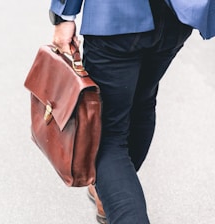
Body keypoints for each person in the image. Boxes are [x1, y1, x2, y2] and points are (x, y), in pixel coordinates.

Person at [49, 0, 193, 223]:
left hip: (116, 16)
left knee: (106, 135)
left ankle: (115, 193)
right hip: (176, 17)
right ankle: (111, 192)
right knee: (142, 101)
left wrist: (64, 15)